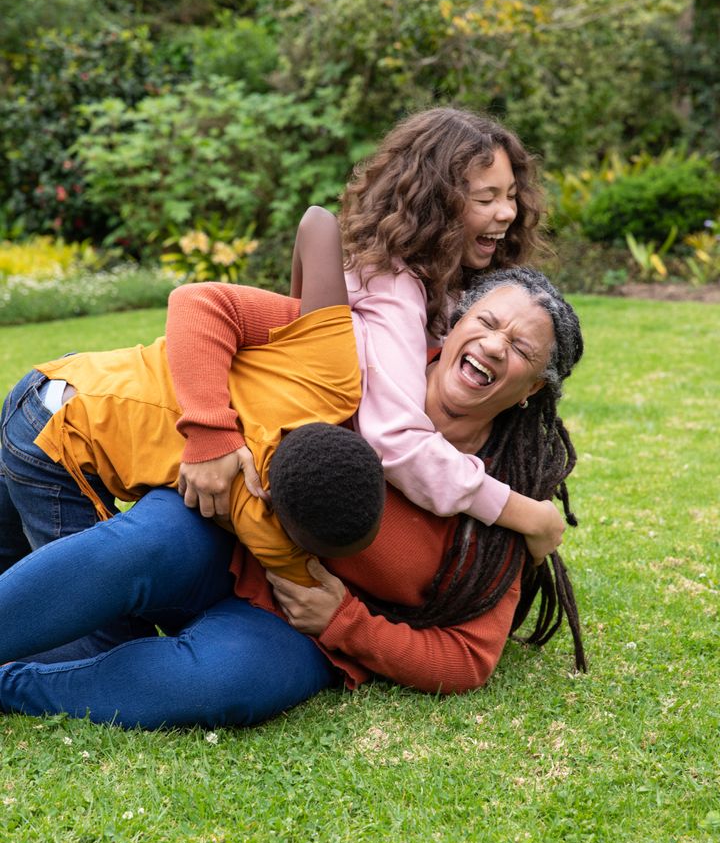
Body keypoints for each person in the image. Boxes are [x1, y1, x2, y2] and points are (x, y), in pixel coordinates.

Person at [0, 268, 585, 729]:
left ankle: (13, 685)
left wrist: (345, 622)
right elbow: (206, 306)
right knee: (140, 547)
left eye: (521, 349)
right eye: (486, 321)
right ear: (454, 323)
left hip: (299, 624)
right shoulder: (367, 356)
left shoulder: (507, 501)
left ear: (534, 389)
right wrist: (213, 432)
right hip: (221, 531)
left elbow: (467, 658)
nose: (494, 345)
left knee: (220, 684)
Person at [170, 108, 565, 562]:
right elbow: (396, 440)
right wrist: (527, 515)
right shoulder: (393, 286)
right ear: (437, 203)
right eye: (486, 199)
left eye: (512, 195)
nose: (507, 213)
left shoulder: (455, 288)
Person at [0, 283, 384, 585]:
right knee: (78, 606)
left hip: (71, 379)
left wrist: (292, 314)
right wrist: (211, 433)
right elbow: (305, 594)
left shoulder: (333, 379)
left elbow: (317, 220)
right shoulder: (261, 521)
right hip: (55, 443)